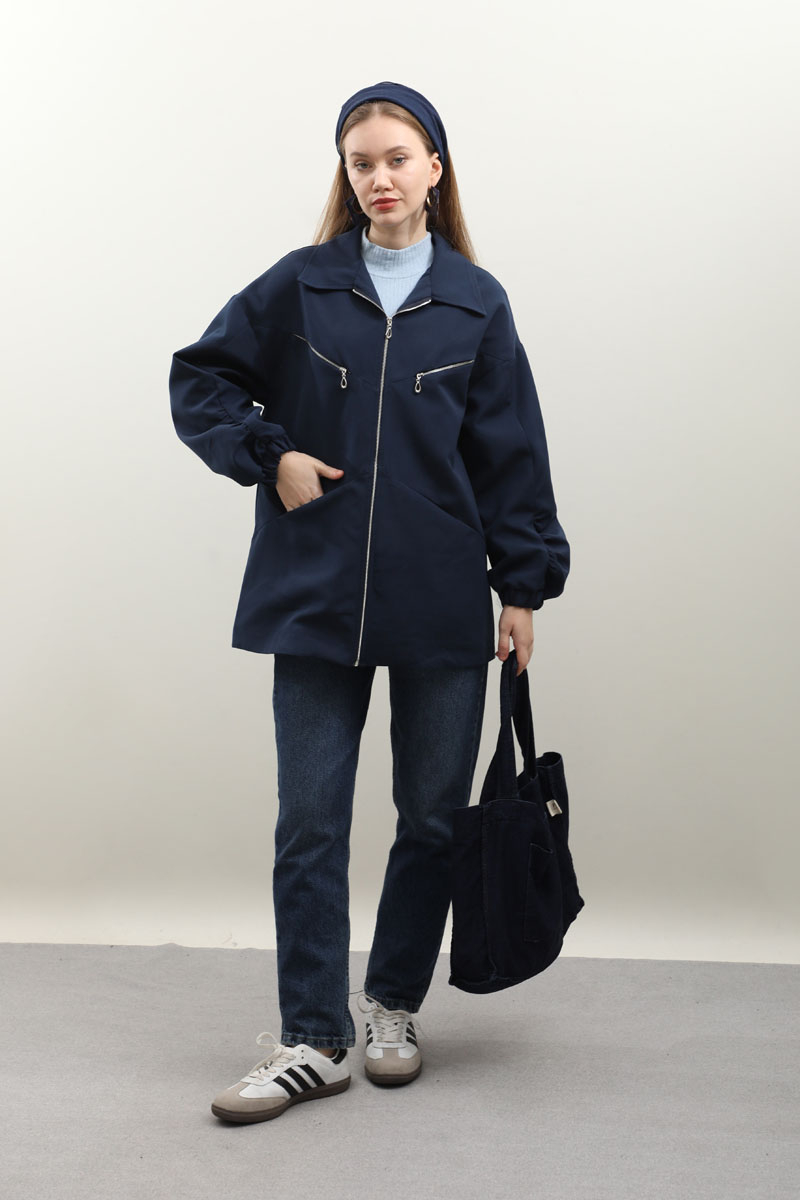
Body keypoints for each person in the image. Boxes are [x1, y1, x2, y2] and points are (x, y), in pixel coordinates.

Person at [169, 80, 570, 1124]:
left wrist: (522, 586)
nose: (379, 178)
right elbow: (200, 380)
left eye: (397, 158)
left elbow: (510, 452)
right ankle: (312, 1037)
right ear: (345, 176)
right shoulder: (301, 285)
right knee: (309, 824)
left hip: (440, 595)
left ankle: (393, 1004)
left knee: (431, 819)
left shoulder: (477, 301)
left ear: (434, 167)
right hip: (312, 594)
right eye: (361, 163)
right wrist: (271, 456)